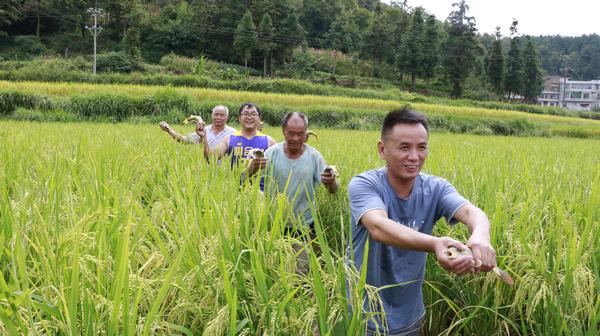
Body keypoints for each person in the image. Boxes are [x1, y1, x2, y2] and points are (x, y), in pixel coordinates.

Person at [348, 108, 496, 336]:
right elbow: (378, 226)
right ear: (382, 149)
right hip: (362, 315)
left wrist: (480, 236)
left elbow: (471, 212)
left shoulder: (436, 188)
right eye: (404, 147)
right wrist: (434, 244)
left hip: (410, 316)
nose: (414, 156)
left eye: (422, 147)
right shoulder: (364, 185)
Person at [259, 112, 338, 234]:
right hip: (273, 223)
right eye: (291, 133)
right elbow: (248, 180)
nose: (295, 139)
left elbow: (333, 190)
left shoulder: (314, 156)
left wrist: (331, 182)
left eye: (300, 134)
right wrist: (252, 168)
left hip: (305, 225)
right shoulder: (271, 153)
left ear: (306, 133)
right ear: (283, 131)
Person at [198, 103, 276, 187]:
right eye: (245, 114)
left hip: (261, 191)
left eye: (253, 114)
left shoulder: (269, 141)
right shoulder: (229, 139)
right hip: (235, 188)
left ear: (259, 118)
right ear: (239, 118)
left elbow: (278, 165)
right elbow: (210, 159)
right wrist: (203, 137)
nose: (249, 117)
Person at [159, 105, 236, 149]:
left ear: (227, 117)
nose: (218, 117)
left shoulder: (233, 133)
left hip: (226, 172)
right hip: (206, 171)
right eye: (216, 114)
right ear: (212, 116)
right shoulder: (204, 130)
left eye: (222, 115)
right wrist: (168, 129)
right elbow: (184, 140)